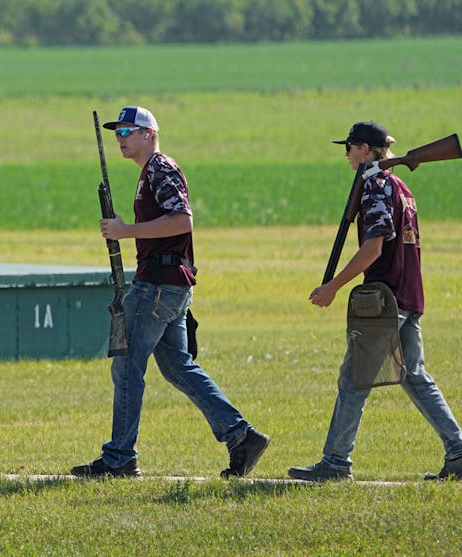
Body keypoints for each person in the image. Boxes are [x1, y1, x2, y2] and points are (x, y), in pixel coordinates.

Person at [72, 106, 269, 478]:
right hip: (168, 284)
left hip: (158, 285)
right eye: (117, 132)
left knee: (128, 367)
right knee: (178, 367)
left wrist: (125, 230)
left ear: (149, 134)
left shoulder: (161, 169)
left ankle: (119, 459)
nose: (120, 138)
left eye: (128, 131)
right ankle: (241, 436)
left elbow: (182, 220)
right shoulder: (150, 173)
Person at [288, 121, 462, 482]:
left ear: (365, 149)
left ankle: (336, 462)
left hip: (385, 300)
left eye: (349, 147)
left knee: (355, 378)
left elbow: (373, 247)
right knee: (415, 377)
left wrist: (333, 286)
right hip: (407, 294)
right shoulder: (400, 185)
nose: (347, 154)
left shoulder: (376, 186)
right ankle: (458, 451)